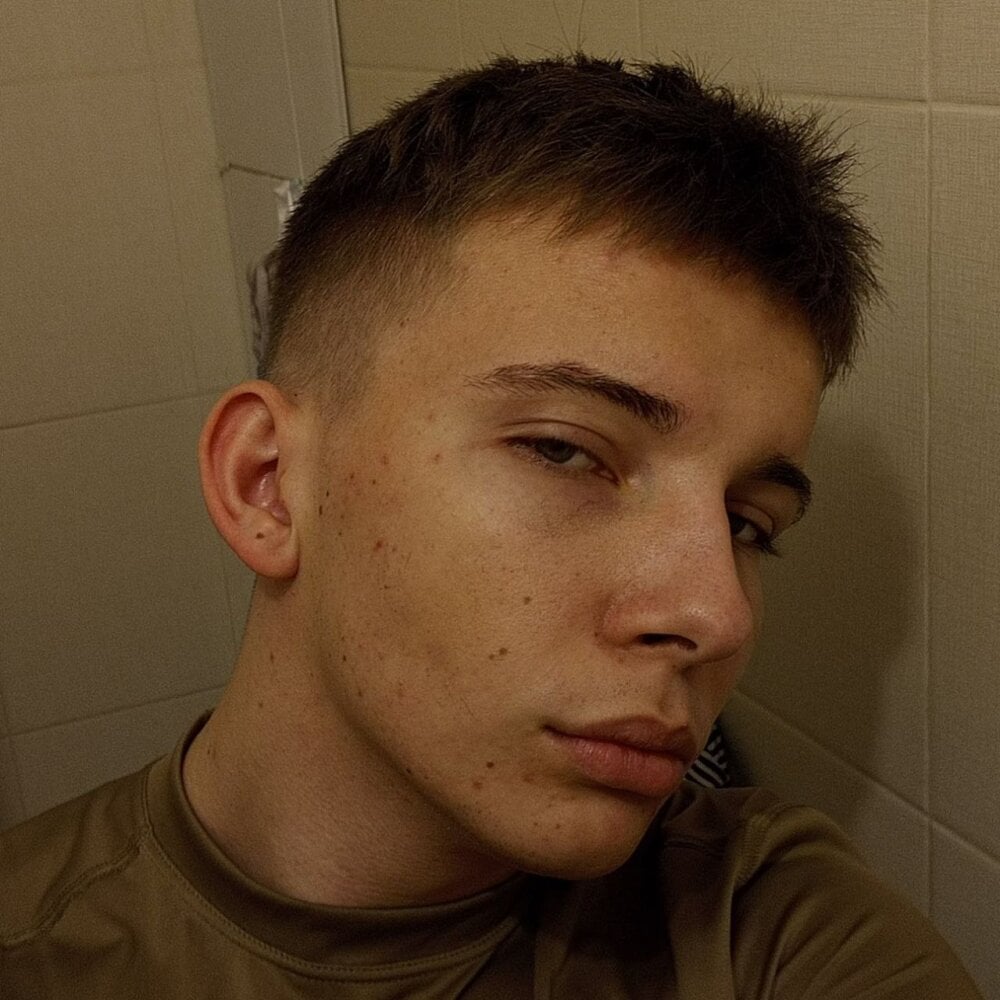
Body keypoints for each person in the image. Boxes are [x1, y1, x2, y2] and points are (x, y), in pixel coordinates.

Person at [0, 54, 982, 999]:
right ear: (267, 483)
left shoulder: (771, 931)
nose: (715, 616)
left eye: (747, 524)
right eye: (564, 451)